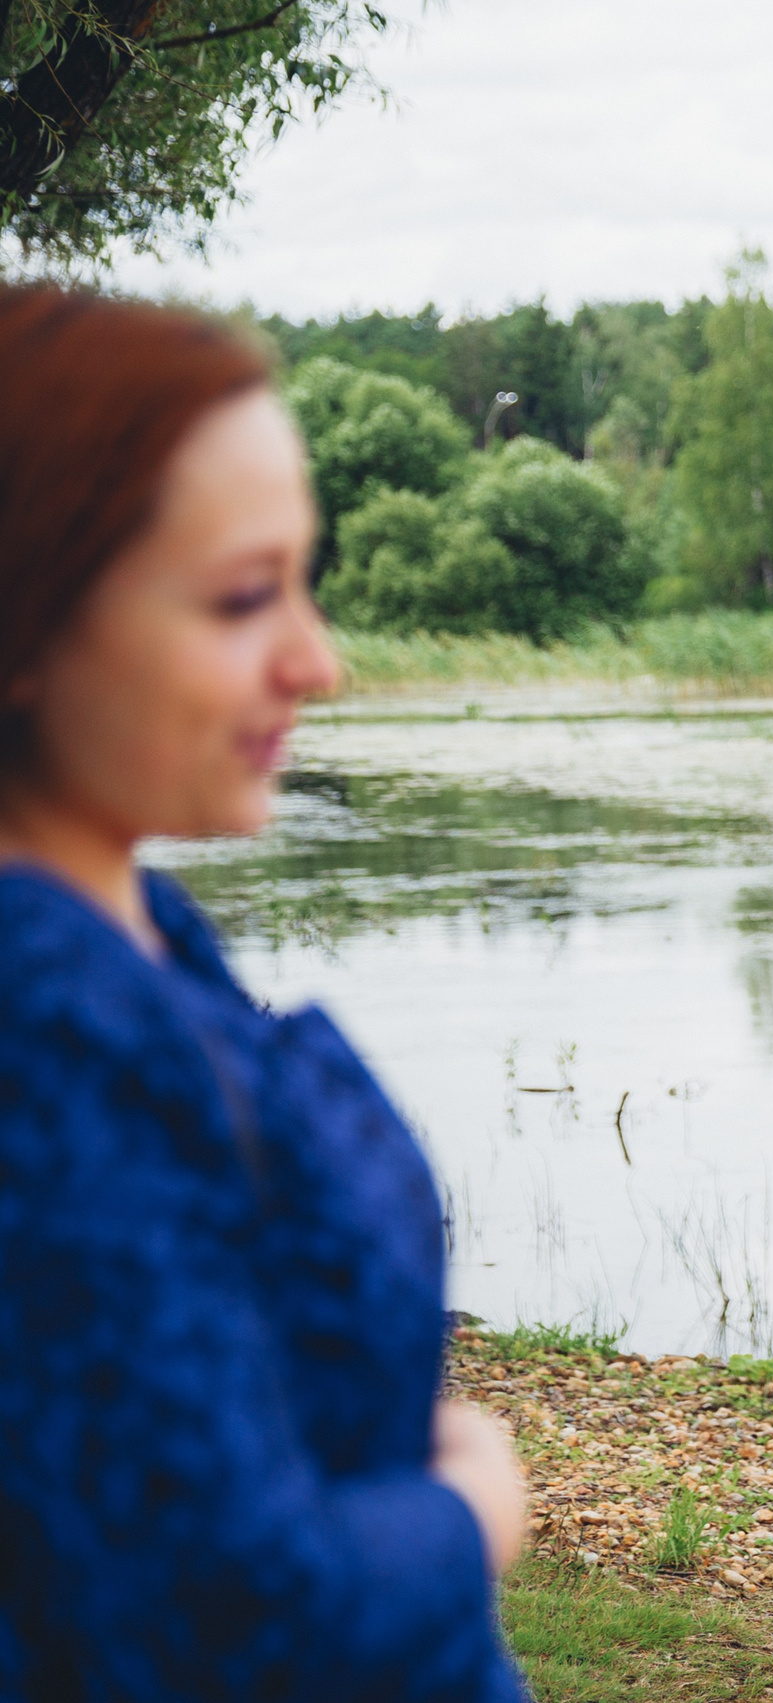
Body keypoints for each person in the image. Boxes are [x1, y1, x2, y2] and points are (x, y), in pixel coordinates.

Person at [0, 287, 528, 1700]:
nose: (318, 659)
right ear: (28, 621)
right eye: (245, 596)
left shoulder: (136, 920)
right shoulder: (38, 1026)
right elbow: (222, 1614)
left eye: (305, 581)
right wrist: (473, 1506)